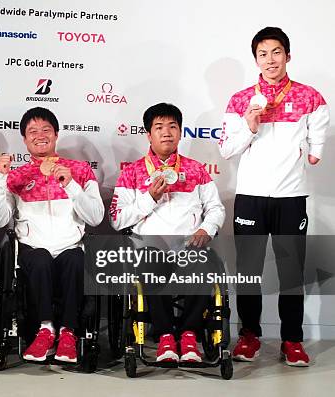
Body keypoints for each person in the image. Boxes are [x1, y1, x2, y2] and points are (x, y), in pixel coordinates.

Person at [219, 27, 329, 367]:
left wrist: (316, 150)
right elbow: (226, 150)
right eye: (263, 54)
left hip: (291, 197)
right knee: (250, 271)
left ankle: (292, 340)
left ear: (288, 56)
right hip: (251, 197)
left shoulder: (310, 96)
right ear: (256, 59)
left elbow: (320, 126)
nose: (270, 59)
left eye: (276, 52)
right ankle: (249, 335)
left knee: (291, 272)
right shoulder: (240, 100)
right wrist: (250, 125)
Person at [0, 107, 104, 363]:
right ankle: (45, 330)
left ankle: (68, 334)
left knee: (75, 260)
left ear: (56, 134)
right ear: (25, 140)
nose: (40, 136)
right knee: (39, 259)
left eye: (46, 130)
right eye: (32, 132)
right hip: (32, 247)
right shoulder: (15, 177)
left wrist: (70, 184)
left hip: (70, 246)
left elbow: (95, 217)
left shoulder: (80, 170)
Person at [110, 103, 225, 363]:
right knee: (152, 261)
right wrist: (149, 197)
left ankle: (188, 336)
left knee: (205, 263)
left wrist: (206, 228)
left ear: (181, 132)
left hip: (189, 247)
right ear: (148, 135)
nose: (167, 133)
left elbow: (216, 209)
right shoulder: (132, 173)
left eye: (172, 127)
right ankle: (164, 337)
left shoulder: (196, 170)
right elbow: (117, 219)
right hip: (151, 249)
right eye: (159, 127)